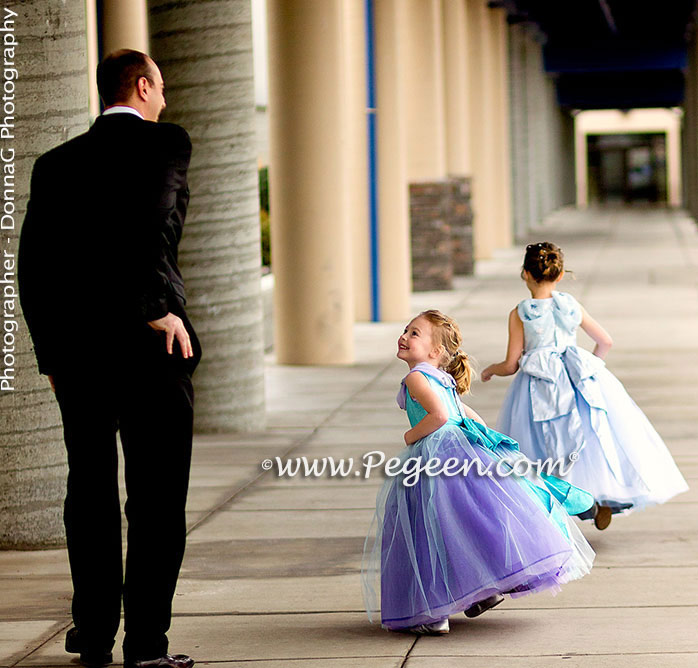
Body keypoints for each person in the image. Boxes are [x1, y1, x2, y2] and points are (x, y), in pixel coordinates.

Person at [18, 50, 200, 668]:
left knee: (89, 493)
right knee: (156, 499)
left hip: (77, 355)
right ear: (143, 87)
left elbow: (33, 266)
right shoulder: (165, 144)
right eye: (163, 87)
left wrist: (48, 351)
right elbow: (149, 225)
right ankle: (146, 647)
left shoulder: (55, 164)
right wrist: (151, 304)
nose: (167, 99)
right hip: (152, 349)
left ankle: (93, 636)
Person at [362, 310, 595, 635]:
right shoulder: (441, 378)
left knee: (429, 532)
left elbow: (440, 415)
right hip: (459, 452)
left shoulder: (416, 377)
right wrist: (482, 444)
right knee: (460, 526)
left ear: (435, 352)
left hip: (435, 455)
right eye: (405, 330)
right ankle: (479, 588)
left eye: (414, 333)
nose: (404, 336)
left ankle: (434, 612)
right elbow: (465, 414)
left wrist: (409, 437)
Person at [481, 242, 688, 530]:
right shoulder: (570, 305)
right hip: (576, 378)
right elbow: (606, 341)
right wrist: (587, 368)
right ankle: (594, 501)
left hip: (538, 386)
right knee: (586, 440)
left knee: (540, 449)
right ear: (561, 274)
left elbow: (512, 364)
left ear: (525, 273)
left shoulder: (521, 313)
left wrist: (490, 370)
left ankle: (562, 510)